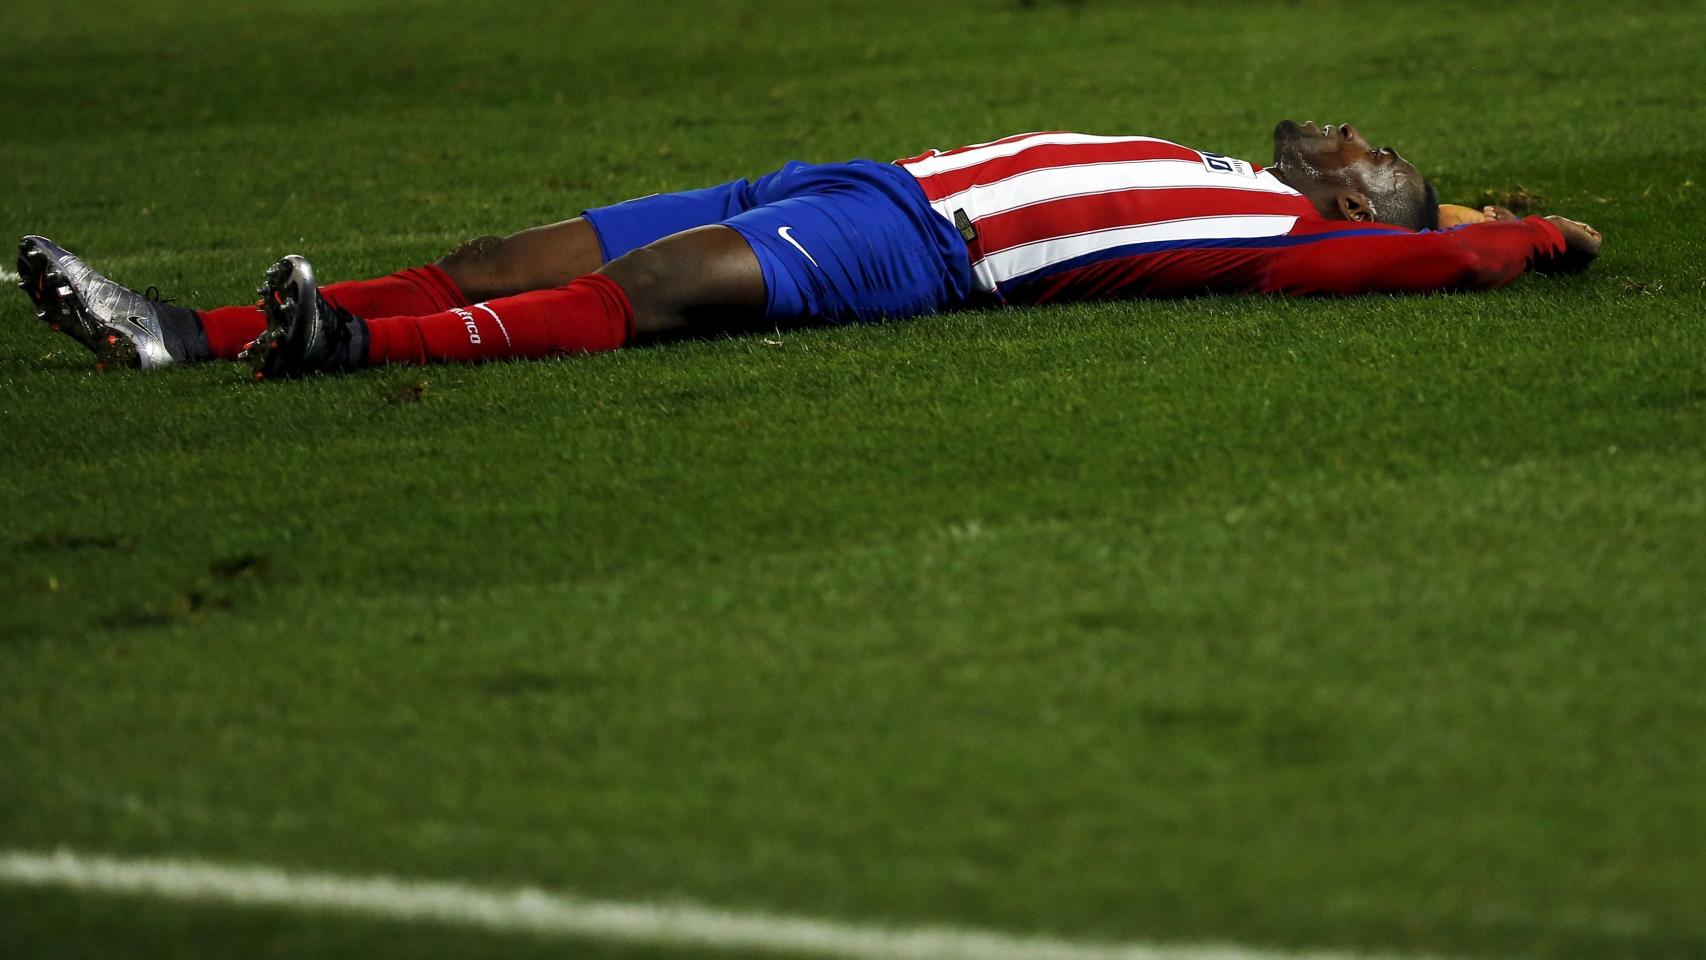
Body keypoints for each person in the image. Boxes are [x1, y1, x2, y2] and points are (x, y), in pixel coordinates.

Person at [16, 120, 1602, 379]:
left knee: (661, 290)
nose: (1346, 137)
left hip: (922, 246)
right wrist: (1472, 212)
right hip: (855, 174)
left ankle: (346, 346)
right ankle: (183, 333)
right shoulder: (1213, 160)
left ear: (1352, 210)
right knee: (504, 248)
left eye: (1376, 157)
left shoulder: (1271, 241)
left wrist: (1510, 234)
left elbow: (1430, 261)